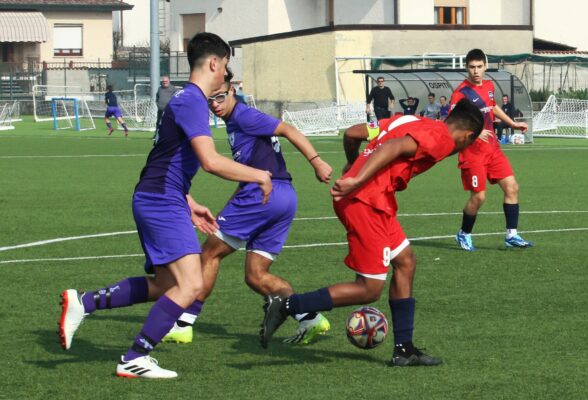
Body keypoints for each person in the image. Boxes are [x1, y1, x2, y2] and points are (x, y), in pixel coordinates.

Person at [57, 32, 273, 379]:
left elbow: (164, 158)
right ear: (215, 63)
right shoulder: (192, 101)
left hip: (160, 196)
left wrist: (188, 201)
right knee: (191, 285)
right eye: (225, 66)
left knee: (163, 285)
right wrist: (260, 175)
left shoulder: (183, 99)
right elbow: (210, 161)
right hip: (159, 201)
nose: (224, 75)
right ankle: (134, 357)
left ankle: (84, 303)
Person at [260, 99, 484, 367]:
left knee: (405, 262)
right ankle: (286, 306)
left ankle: (404, 349)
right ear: (468, 135)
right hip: (365, 202)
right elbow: (394, 146)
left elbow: (352, 133)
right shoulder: (442, 139)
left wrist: (353, 166)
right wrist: (357, 178)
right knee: (368, 289)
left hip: (375, 200)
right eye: (468, 144)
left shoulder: (411, 120)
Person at [163, 73, 333, 345]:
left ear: (232, 92)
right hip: (283, 197)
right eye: (210, 100)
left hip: (264, 194)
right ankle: (310, 319)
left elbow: (288, 129)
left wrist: (317, 161)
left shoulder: (243, 116)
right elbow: (250, 167)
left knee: (209, 254)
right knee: (256, 276)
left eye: (220, 97)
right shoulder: (234, 122)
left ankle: (184, 324)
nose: (215, 104)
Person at [452, 49, 532, 251]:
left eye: (479, 67)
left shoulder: (488, 86)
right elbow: (452, 123)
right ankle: (464, 234)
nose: (476, 71)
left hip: (493, 149)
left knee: (512, 187)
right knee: (479, 197)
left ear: (485, 66)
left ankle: (511, 235)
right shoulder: (460, 93)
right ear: (466, 67)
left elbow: (492, 106)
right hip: (472, 153)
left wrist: (512, 124)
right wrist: (474, 133)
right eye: (472, 67)